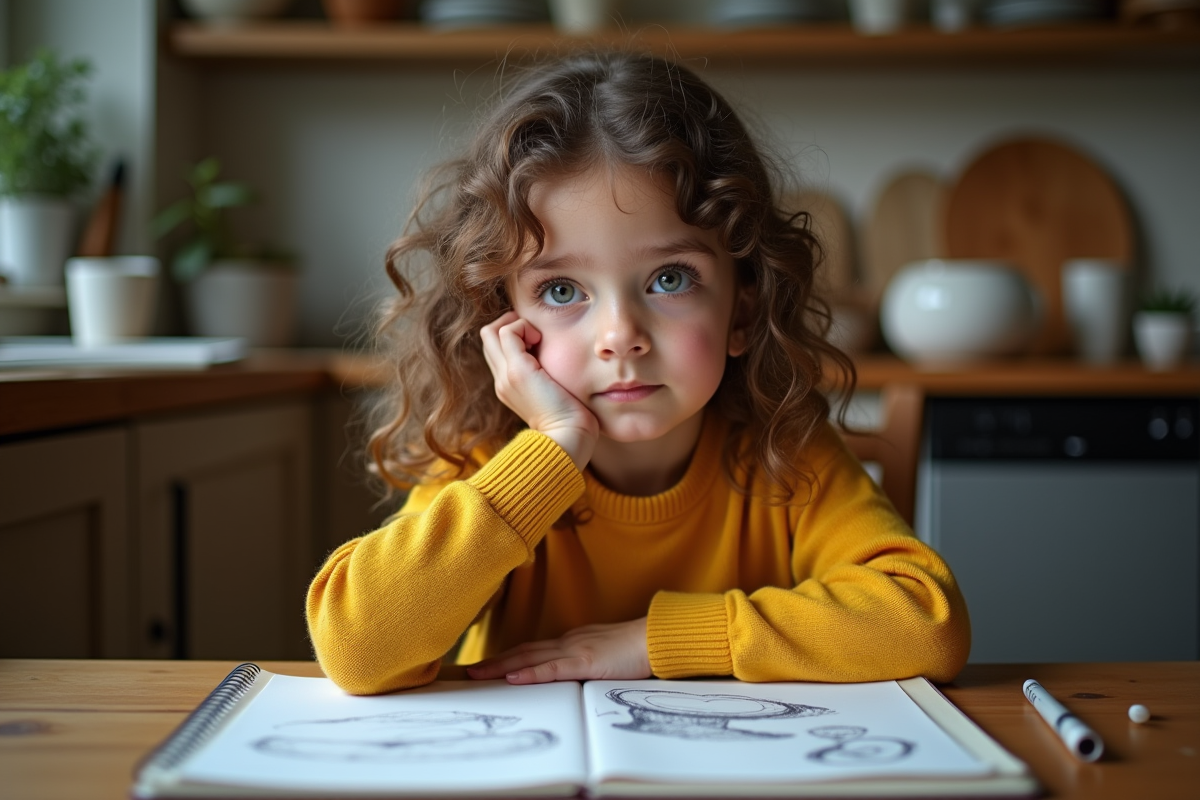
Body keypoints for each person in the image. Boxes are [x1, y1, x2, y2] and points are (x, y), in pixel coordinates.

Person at [307, 49, 970, 696]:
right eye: (563, 291)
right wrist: (554, 448)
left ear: (742, 308)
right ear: (502, 323)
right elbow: (356, 649)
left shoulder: (784, 454)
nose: (621, 336)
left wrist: (654, 642)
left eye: (670, 279)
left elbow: (925, 623)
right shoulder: (492, 460)